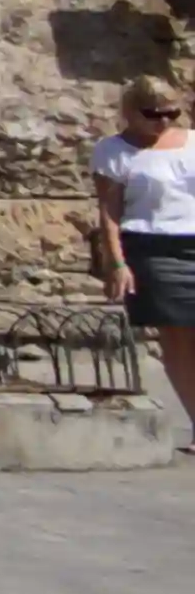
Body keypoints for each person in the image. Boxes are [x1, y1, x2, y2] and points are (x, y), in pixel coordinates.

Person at [91, 76, 195, 443]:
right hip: (154, 247)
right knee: (178, 337)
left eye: (172, 113)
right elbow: (109, 212)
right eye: (153, 114)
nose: (163, 122)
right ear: (130, 112)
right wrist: (116, 262)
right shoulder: (113, 151)